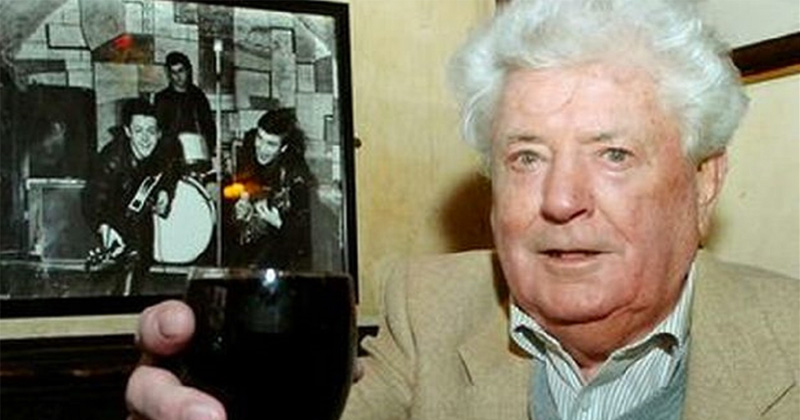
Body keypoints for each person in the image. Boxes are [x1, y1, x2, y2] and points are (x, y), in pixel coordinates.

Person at [125, 1, 799, 419]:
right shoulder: (427, 309)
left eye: (614, 154)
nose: (561, 200)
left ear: (704, 182)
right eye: (526, 157)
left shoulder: (789, 343)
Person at [82, 98, 180, 269]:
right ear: (128, 132)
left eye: (151, 131)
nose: (145, 138)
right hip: (113, 221)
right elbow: (93, 199)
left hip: (140, 219)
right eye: (138, 130)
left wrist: (165, 191)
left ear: (159, 133)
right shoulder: (110, 160)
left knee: (143, 266)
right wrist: (104, 227)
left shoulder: (162, 151)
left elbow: (173, 166)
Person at [226, 108, 317, 270]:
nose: (261, 148)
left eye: (271, 144)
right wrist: (241, 207)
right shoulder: (249, 146)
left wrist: (279, 222)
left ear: (283, 148)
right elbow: (241, 187)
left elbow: (306, 239)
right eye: (260, 138)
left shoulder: (297, 175)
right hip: (247, 246)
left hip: (281, 255)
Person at [154, 51, 217, 167]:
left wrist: (208, 149)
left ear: (188, 70)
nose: (178, 77)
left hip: (196, 154)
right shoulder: (162, 98)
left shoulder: (198, 96)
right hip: (171, 157)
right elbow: (158, 130)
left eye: (181, 71)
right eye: (173, 72)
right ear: (169, 74)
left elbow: (209, 127)